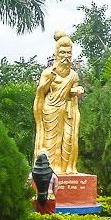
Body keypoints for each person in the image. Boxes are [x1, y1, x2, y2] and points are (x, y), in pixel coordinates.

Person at [33, 30, 84, 174]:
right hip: (51, 110)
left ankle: (67, 167)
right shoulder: (48, 72)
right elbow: (41, 91)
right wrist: (49, 81)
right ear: (56, 54)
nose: (66, 56)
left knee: (69, 139)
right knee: (50, 142)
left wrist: (78, 90)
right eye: (63, 53)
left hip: (68, 111)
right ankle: (50, 168)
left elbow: (73, 90)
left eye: (69, 53)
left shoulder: (73, 75)